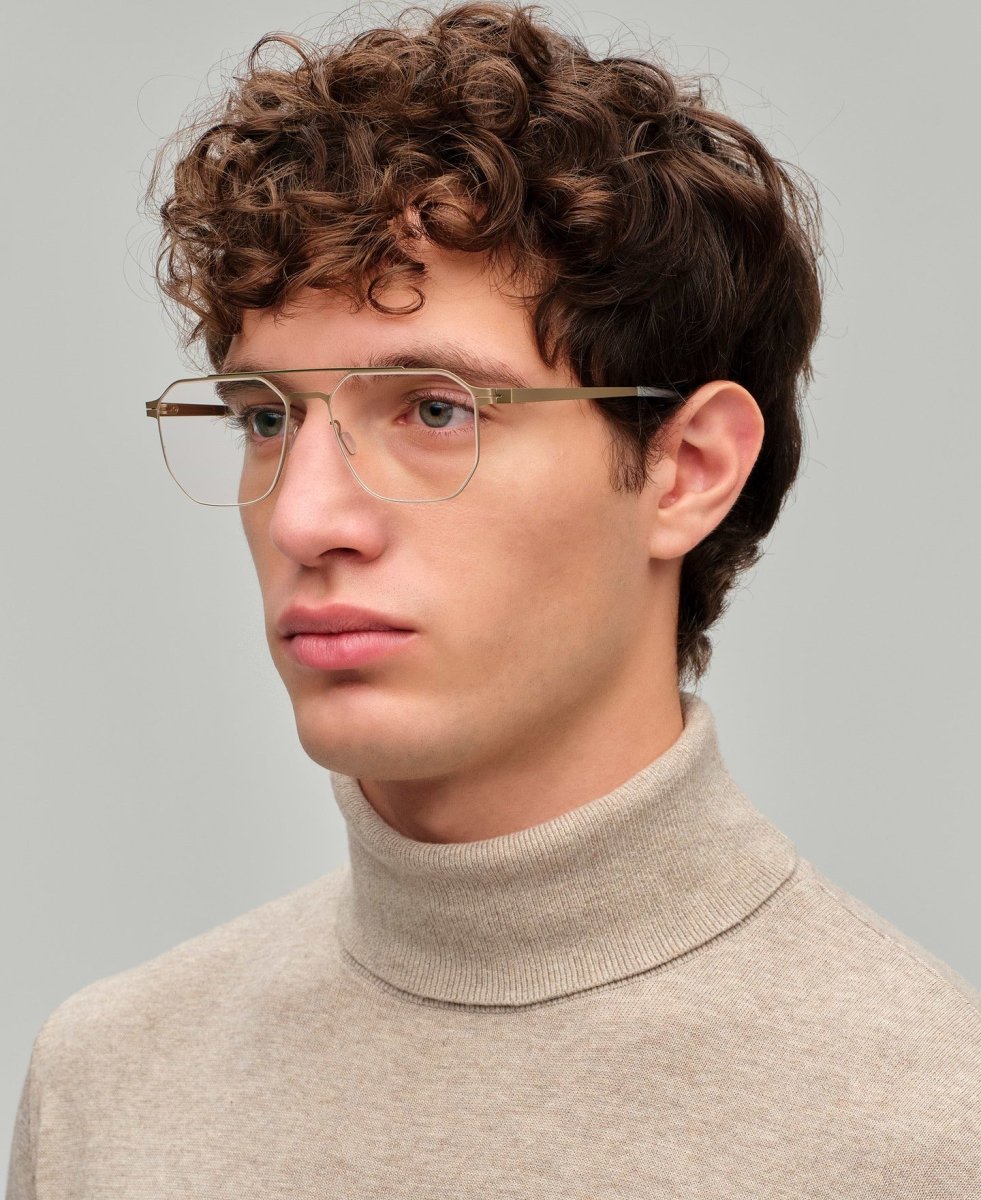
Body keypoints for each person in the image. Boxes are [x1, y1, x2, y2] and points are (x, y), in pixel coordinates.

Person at [6, 3, 978, 1196]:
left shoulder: (930, 1131)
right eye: (266, 417)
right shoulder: (112, 1091)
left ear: (687, 470)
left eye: (434, 410)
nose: (304, 518)